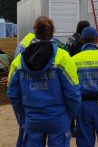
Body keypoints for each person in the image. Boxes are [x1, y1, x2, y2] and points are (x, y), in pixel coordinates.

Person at [7, 16, 81, 147]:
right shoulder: (63, 58)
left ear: (35, 32)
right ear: (52, 32)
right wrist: (69, 116)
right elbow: (73, 93)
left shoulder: (19, 60)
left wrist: (25, 116)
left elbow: (13, 94)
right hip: (58, 119)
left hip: (32, 120)